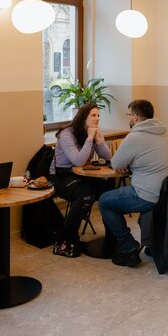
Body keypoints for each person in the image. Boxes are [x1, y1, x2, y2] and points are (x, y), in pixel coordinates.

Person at [98, 99, 168, 268]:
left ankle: (128, 248)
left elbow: (116, 164)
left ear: (135, 117)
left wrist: (126, 165)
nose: (128, 118)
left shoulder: (135, 136)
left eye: (129, 115)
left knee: (104, 202)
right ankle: (147, 243)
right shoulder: (164, 131)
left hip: (148, 195)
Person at [50, 104, 111, 258]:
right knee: (85, 193)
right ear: (84, 118)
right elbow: (78, 161)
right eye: (93, 115)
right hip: (61, 177)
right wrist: (90, 139)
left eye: (98, 115)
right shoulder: (66, 134)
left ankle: (113, 236)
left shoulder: (91, 132)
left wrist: (98, 140)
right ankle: (67, 239)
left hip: (81, 175)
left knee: (108, 190)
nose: (97, 119)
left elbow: (108, 156)